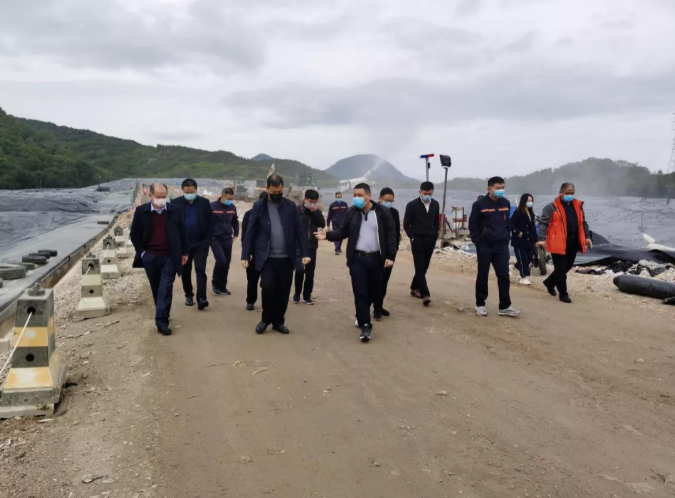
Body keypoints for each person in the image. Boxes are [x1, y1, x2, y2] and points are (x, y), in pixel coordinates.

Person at [315, 183, 397, 342]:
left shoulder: (382, 212)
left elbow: (391, 235)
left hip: (377, 259)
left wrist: (391, 256)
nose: (356, 198)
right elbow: (343, 231)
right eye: (355, 195)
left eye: (360, 195)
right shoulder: (352, 211)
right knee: (360, 293)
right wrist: (328, 235)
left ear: (369, 196)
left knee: (373, 292)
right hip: (357, 259)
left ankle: (361, 314)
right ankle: (366, 325)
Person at [241, 175, 311, 334]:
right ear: (267, 189)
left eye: (280, 192)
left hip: (286, 258)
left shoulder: (290, 206)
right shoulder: (259, 206)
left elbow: (299, 230)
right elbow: (250, 231)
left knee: (283, 291)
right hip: (267, 257)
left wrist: (305, 253)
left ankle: (279, 321)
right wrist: (245, 254)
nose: (277, 194)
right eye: (274, 192)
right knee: (267, 288)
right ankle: (265, 319)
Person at [130, 183, 188, 336]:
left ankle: (162, 321)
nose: (161, 200)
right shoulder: (141, 212)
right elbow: (134, 234)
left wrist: (184, 253)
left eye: (164, 197)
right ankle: (162, 310)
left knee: (166, 288)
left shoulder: (175, 211)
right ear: (150, 195)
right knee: (156, 288)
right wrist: (142, 253)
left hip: (170, 256)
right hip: (150, 256)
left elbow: (182, 232)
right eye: (158, 197)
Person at [469, 177, 520, 317]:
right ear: (489, 189)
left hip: (501, 246)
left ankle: (505, 306)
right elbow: (473, 225)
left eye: (502, 187)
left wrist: (506, 236)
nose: (500, 190)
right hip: (485, 246)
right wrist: (478, 243)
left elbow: (507, 223)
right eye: (497, 188)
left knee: (504, 275)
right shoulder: (479, 205)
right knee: (483, 275)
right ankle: (480, 304)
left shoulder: (505, 203)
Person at [537, 183, 592, 303]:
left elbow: (583, 222)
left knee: (568, 266)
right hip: (558, 242)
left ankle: (549, 282)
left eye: (572, 193)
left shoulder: (578, 206)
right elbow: (543, 223)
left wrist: (587, 237)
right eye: (567, 193)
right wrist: (541, 239)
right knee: (561, 269)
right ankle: (563, 293)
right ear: (560, 192)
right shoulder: (551, 207)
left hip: (573, 241)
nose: (570, 195)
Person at [171, 178, 213, 311]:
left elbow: (211, 221)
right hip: (184, 244)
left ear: (196, 190)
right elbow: (172, 224)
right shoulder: (175, 203)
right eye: (187, 192)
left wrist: (208, 239)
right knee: (185, 271)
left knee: (200, 269)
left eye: (192, 192)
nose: (190, 194)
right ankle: (188, 294)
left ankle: (202, 298)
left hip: (201, 243)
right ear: (182, 191)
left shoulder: (204, 202)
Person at [403, 181, 440, 306]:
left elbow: (436, 222)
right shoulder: (412, 205)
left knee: (424, 266)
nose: (427, 196)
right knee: (419, 266)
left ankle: (414, 287)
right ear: (420, 192)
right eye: (425, 193)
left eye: (430, 194)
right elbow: (406, 224)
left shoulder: (435, 204)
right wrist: (413, 238)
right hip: (417, 240)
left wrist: (435, 235)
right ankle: (425, 294)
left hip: (430, 240)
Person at [293, 189, 326, 305]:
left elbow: (322, 224)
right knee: (300, 270)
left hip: (311, 246)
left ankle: (307, 296)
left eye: (314, 202)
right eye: (310, 201)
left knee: (310, 273)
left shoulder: (316, 211)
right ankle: (297, 293)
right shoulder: (296, 210)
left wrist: (316, 212)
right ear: (305, 199)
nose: (312, 203)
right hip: (298, 246)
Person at [374, 187, 401, 318]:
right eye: (386, 200)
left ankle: (378, 307)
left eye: (391, 201)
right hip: (375, 251)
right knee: (374, 281)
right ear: (379, 199)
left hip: (389, 252)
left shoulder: (394, 213)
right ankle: (370, 307)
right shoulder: (373, 211)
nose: (389, 203)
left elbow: (396, 232)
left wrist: (394, 249)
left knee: (384, 280)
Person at [210, 187, 239, 296]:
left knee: (226, 263)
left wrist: (236, 233)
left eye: (231, 199)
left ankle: (222, 287)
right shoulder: (212, 207)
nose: (230, 201)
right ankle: (215, 284)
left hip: (227, 238)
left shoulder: (232, 207)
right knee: (221, 261)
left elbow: (235, 221)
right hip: (215, 238)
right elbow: (205, 221)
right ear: (222, 197)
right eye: (228, 199)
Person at [241, 192, 267, 311]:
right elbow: (245, 235)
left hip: (268, 253)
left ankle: (267, 303)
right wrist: (247, 252)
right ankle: (250, 301)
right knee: (252, 279)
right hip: (253, 252)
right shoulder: (249, 214)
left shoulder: (274, 216)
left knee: (268, 281)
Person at [509, 193, 538, 286]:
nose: (530, 202)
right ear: (524, 201)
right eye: (528, 201)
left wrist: (535, 240)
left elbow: (533, 227)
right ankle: (524, 277)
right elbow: (510, 224)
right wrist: (518, 231)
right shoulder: (518, 212)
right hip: (519, 240)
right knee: (523, 259)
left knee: (529, 258)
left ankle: (513, 267)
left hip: (529, 240)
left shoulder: (531, 213)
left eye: (531, 201)